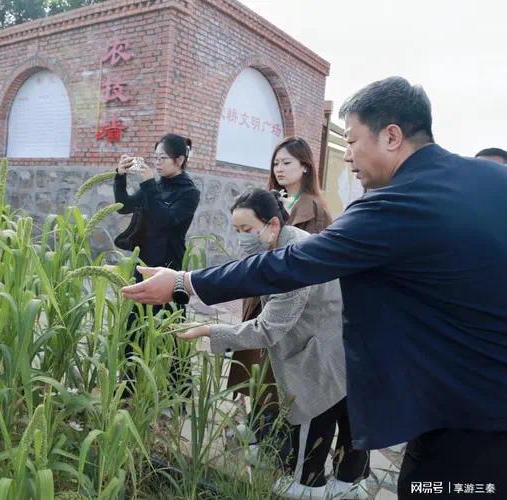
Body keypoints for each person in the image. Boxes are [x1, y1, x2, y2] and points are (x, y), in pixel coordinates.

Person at [120, 77, 507, 499]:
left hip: (462, 417)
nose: (348, 155)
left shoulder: (396, 203)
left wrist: (184, 281)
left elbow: (292, 264)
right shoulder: (492, 178)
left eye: (353, 140)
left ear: (391, 136)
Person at [181, 187, 368, 499]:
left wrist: (209, 331)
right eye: (237, 230)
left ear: (272, 224)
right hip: (337, 343)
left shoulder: (294, 261)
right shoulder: (288, 243)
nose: (242, 238)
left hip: (319, 352)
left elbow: (268, 329)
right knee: (345, 421)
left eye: (247, 229)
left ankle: (308, 487)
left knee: (311, 428)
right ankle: (349, 483)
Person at [228, 138, 334, 428]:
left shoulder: (316, 210)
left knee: (278, 374)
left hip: (290, 302)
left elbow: (315, 265)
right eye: (276, 163)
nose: (280, 169)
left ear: (306, 167)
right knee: (257, 371)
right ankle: (257, 428)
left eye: (287, 162)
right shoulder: (267, 199)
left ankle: (273, 434)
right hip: (260, 295)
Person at [114, 133, 200, 402]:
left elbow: (166, 221)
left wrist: (149, 184)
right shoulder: (155, 185)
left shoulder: (189, 192)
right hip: (143, 263)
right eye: (155, 157)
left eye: (163, 158)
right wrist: (120, 176)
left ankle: (180, 395)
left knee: (172, 331)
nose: (158, 163)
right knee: (134, 325)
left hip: (169, 269)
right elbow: (123, 206)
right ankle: (128, 389)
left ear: (180, 160)